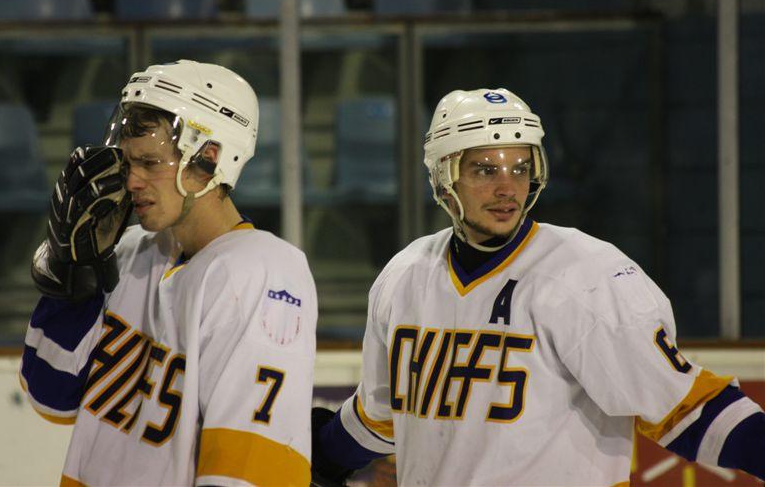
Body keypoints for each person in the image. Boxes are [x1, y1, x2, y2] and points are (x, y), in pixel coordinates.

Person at [311, 88, 765, 486]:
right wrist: (321, 455)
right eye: (485, 170)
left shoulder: (587, 275)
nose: (507, 188)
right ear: (444, 177)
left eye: (520, 168)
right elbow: (382, 416)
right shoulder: (405, 274)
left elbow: (685, 407)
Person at [22, 60, 317, 486]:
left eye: (150, 162)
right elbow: (50, 397)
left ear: (209, 159)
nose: (132, 181)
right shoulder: (126, 251)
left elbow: (249, 470)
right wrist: (76, 274)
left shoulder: (263, 272)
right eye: (128, 163)